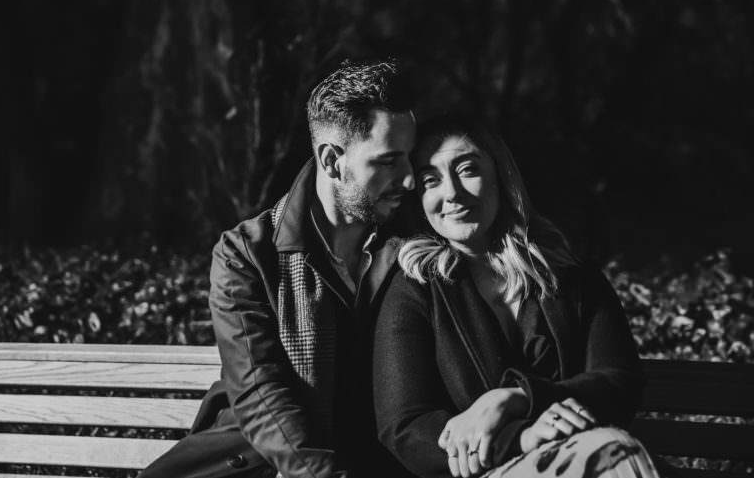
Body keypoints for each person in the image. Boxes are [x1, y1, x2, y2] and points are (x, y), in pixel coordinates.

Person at [139, 60, 418, 478]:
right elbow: (260, 393)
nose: (410, 179)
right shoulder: (247, 253)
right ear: (331, 160)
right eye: (389, 161)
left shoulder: (415, 248)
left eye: (411, 158)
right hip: (259, 462)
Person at [373, 114, 659, 478]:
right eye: (431, 180)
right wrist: (520, 437)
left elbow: (620, 382)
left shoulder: (573, 278)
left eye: (467, 169)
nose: (452, 193)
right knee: (614, 456)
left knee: (612, 456)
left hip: (583, 458)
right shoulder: (413, 289)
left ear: (501, 176)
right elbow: (405, 428)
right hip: (486, 471)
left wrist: (517, 397)